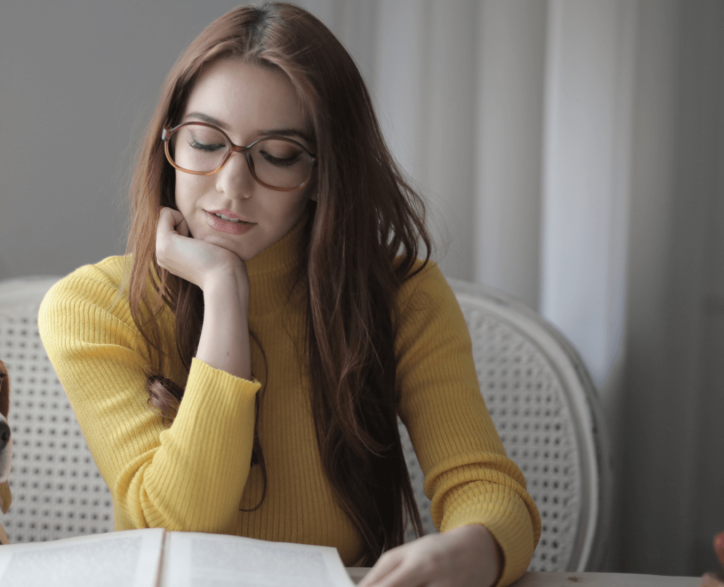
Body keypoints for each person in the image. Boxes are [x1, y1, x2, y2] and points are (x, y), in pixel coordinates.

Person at [38, 3, 540, 586]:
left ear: (326, 174)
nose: (232, 186)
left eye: (277, 156)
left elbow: (484, 485)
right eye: (204, 143)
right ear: (169, 143)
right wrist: (225, 292)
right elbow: (176, 523)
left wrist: (471, 551)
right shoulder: (93, 307)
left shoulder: (403, 296)